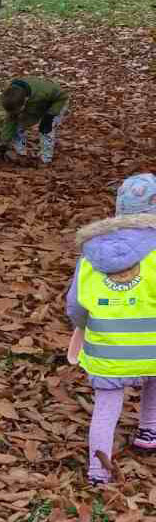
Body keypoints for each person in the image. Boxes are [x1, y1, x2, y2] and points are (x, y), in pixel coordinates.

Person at [66, 173, 156, 485]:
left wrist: (82, 328)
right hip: (153, 347)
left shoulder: (92, 252)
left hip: (107, 350)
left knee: (106, 408)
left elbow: (76, 304)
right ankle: (149, 431)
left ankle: (97, 472)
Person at [0, 77, 69, 165]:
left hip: (57, 102)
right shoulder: (12, 97)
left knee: (46, 128)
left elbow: (63, 96)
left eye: (17, 111)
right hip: (36, 106)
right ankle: (20, 153)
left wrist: (51, 114)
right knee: (17, 126)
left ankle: (45, 158)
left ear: (25, 100)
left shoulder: (42, 93)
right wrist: (4, 143)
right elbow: (10, 121)